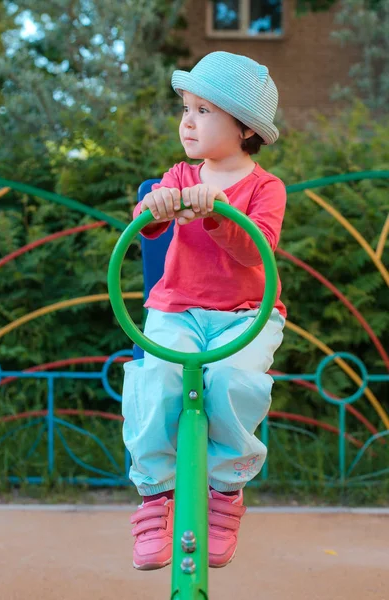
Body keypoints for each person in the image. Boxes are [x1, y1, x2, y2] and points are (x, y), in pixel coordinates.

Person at [123, 51, 286, 571]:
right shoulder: (176, 176)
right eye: (185, 108)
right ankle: (154, 497)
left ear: (242, 127)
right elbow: (145, 224)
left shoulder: (266, 189)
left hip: (245, 314)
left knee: (233, 382)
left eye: (203, 110)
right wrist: (156, 209)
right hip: (178, 309)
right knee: (158, 378)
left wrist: (217, 212)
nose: (186, 121)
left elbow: (254, 248)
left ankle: (224, 493)